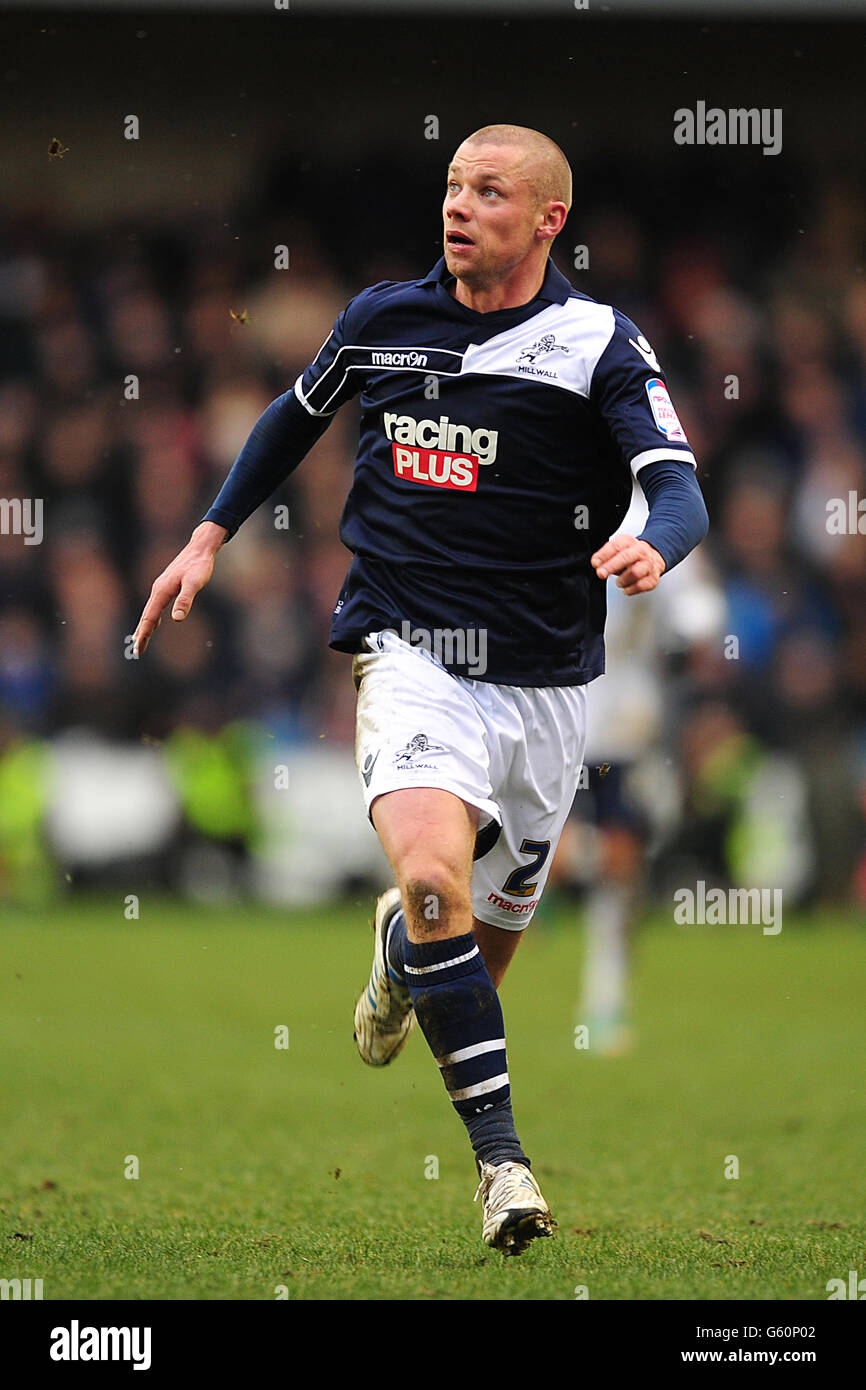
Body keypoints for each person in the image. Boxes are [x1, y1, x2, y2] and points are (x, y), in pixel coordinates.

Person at [133, 124, 708, 1256]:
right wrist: (206, 537)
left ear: (548, 219)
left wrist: (655, 547)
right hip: (409, 655)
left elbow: (675, 486)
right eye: (452, 185)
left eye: (488, 192)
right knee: (436, 876)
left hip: (545, 690)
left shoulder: (594, 343)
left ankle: (402, 956)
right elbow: (290, 421)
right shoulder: (380, 320)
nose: (458, 206)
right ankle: (501, 1164)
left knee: (473, 951)